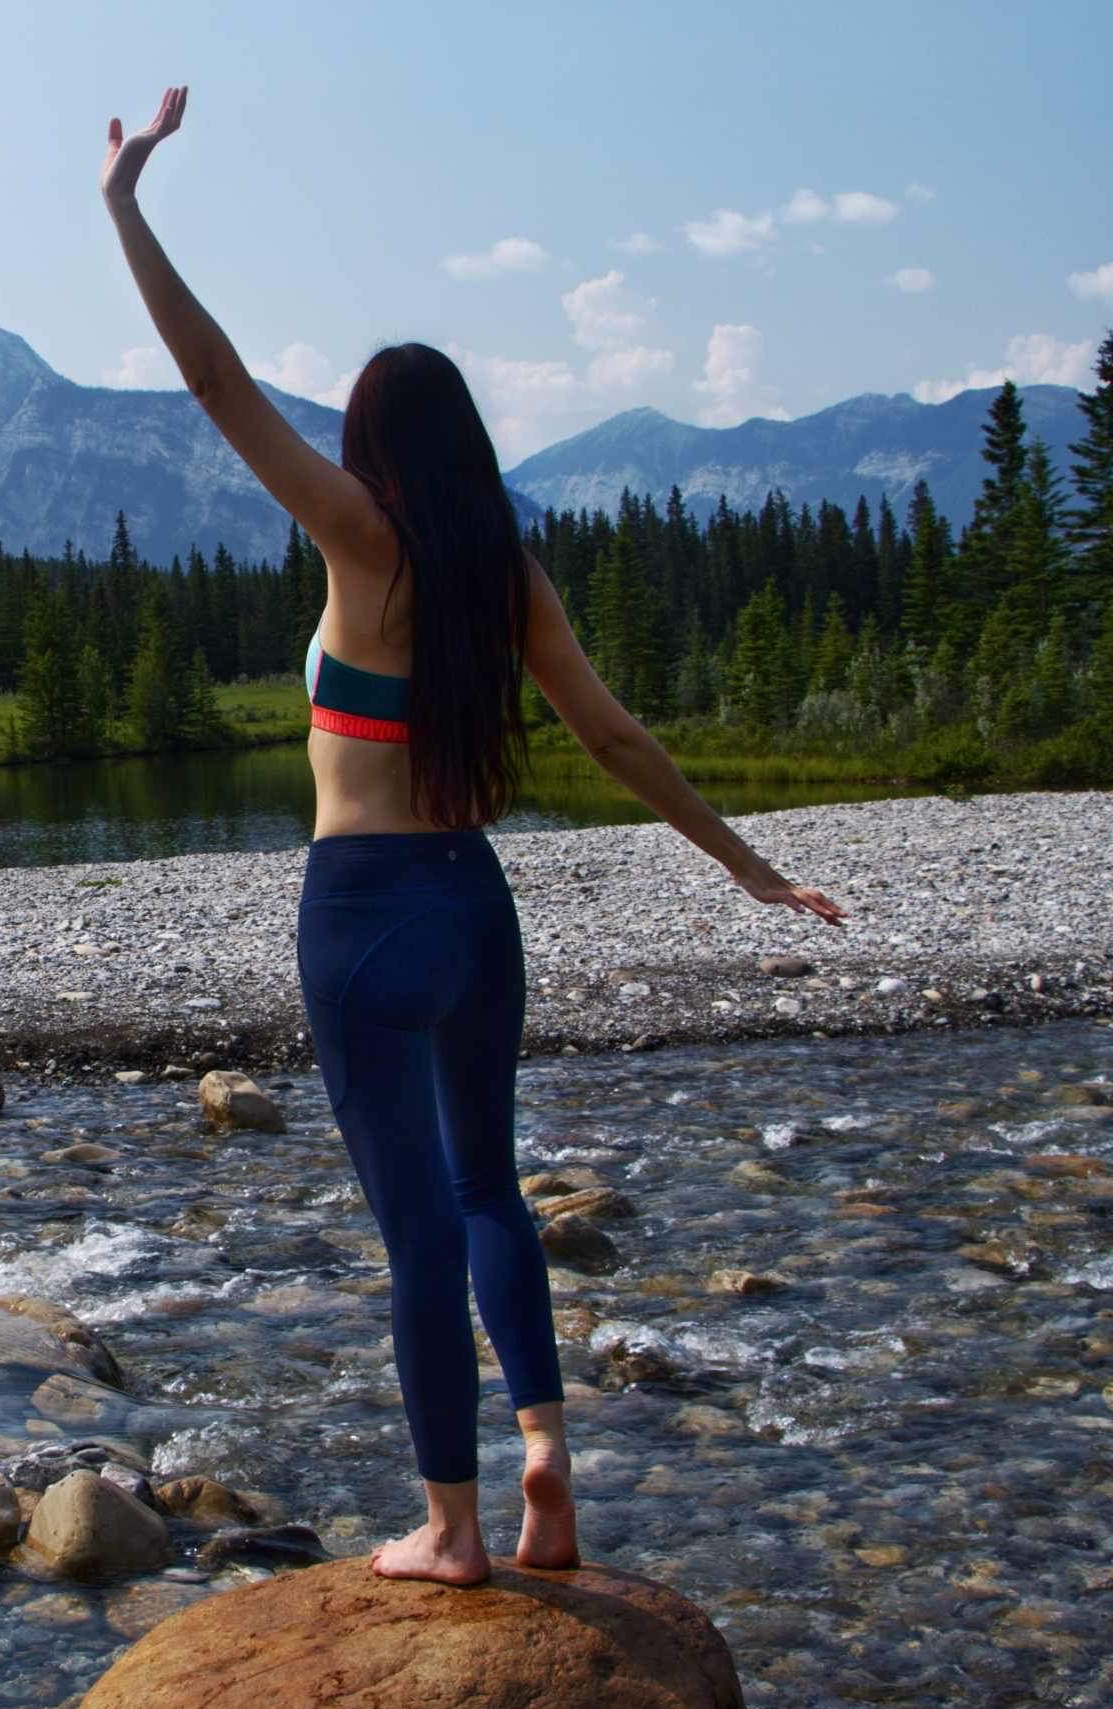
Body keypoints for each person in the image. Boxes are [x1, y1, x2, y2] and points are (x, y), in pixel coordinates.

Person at [101, 87, 846, 1587]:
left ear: (374, 446)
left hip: (363, 906)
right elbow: (618, 738)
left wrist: (127, 204)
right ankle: (546, 1459)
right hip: (475, 905)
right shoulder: (509, 572)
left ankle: (449, 1528)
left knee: (416, 1233)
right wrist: (749, 867)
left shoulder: (356, 536)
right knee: (494, 1191)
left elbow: (217, 378)